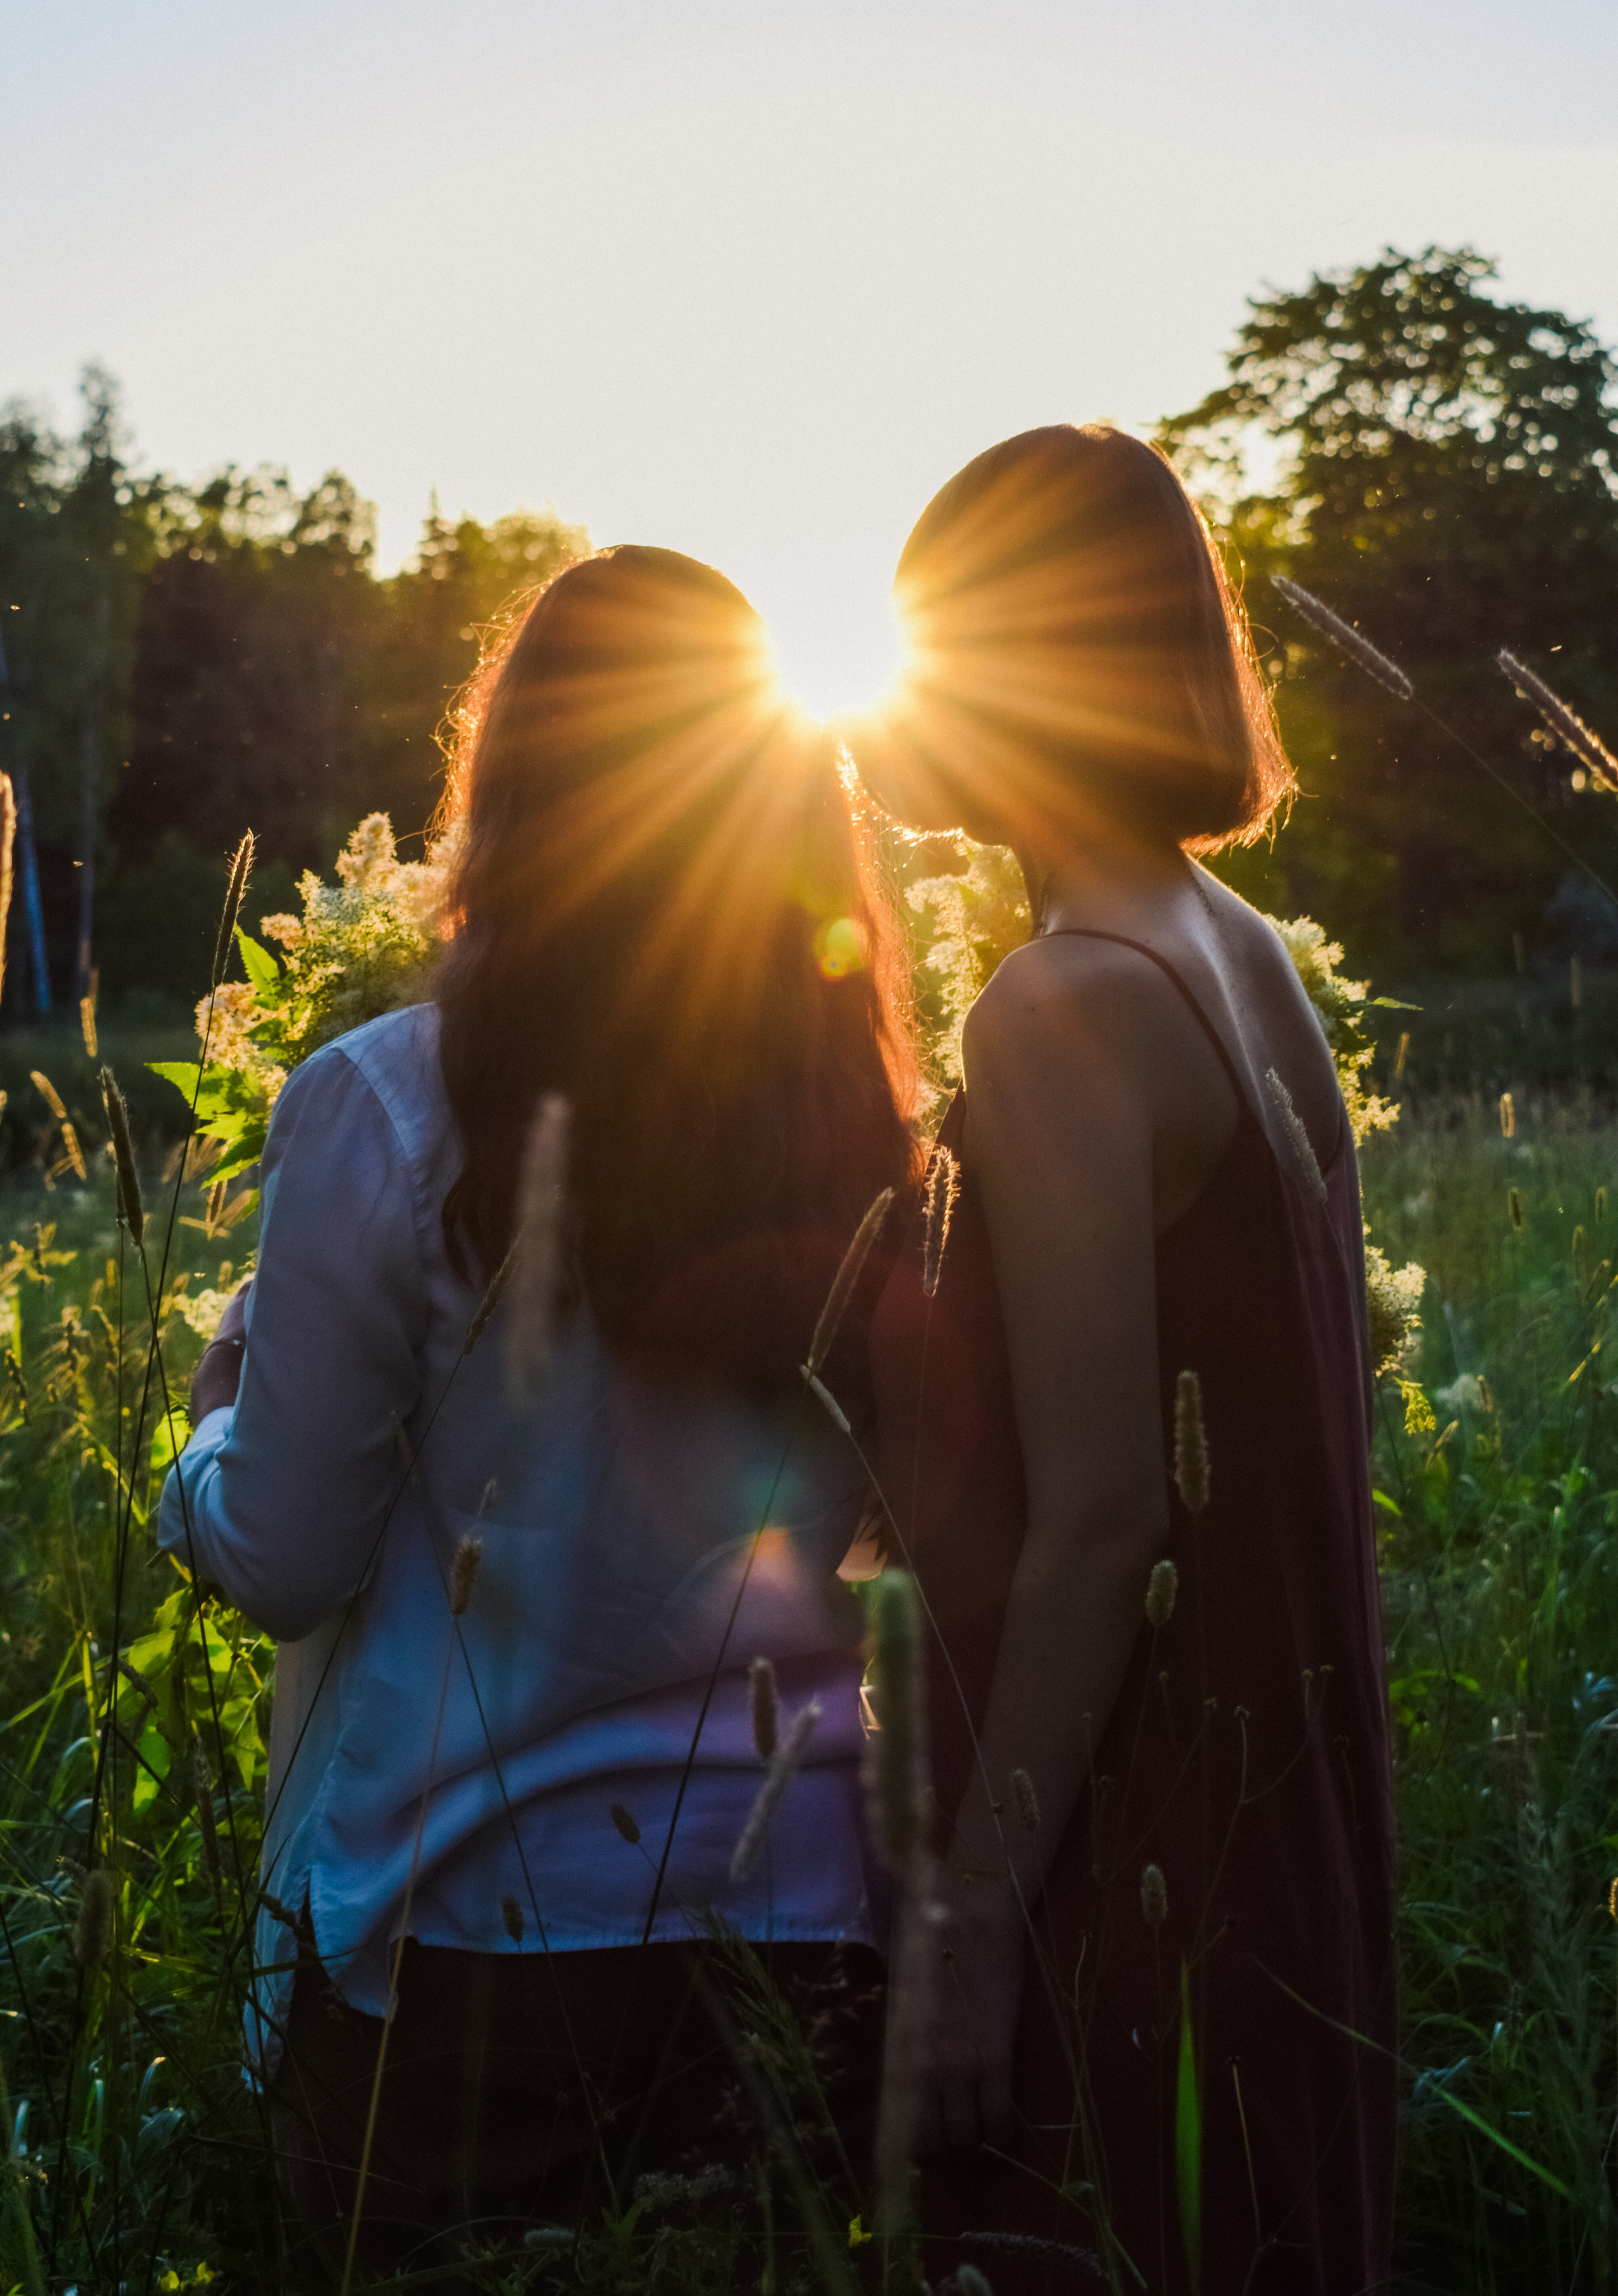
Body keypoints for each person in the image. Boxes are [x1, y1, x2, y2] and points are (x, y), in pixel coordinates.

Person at [162, 546, 920, 2284]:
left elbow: (282, 1559)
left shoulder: (384, 1102)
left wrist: (207, 1436)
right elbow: (881, 1518)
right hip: (798, 1919)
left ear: (506, 784)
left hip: (467, 1946)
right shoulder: (861, 1113)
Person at [855, 427, 1397, 2294]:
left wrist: (975, 1924)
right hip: (1284, 1815)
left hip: (1136, 1840)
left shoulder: (1071, 1001)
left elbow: (1101, 1519)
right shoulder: (1238, 949)